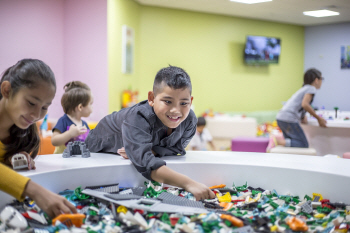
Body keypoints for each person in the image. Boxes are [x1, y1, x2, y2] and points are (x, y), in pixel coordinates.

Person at [85, 65, 215, 201]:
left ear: (191, 101)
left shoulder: (189, 120)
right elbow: (146, 164)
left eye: (183, 103)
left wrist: (151, 151)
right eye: (168, 101)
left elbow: (177, 149)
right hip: (98, 150)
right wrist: (189, 184)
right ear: (152, 98)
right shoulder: (137, 117)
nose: (176, 110)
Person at [0, 59, 76, 217]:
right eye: (31, 102)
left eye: (44, 108)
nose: (36, 115)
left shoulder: (24, 133)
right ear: (6, 90)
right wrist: (36, 191)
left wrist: (10, 159)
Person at [267, 68, 327, 151]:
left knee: (292, 144)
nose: (321, 82)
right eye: (321, 79)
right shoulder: (311, 88)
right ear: (316, 80)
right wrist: (319, 118)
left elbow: (298, 105)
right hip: (289, 119)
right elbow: (305, 104)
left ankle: (279, 143)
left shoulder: (304, 88)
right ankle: (277, 141)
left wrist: (302, 117)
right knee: (303, 144)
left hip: (281, 117)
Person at [51, 81, 93, 154]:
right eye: (90, 104)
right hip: (62, 161)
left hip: (78, 161)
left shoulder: (84, 124)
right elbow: (54, 141)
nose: (92, 107)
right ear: (80, 107)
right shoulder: (63, 121)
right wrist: (69, 134)